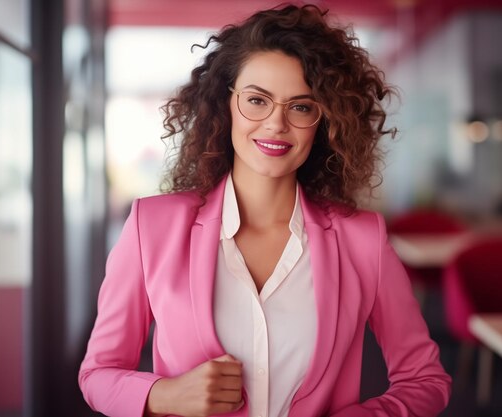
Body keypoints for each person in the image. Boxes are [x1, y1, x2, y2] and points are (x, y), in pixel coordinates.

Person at [79, 4, 452, 417]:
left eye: (301, 106)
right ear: (226, 104)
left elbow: (426, 380)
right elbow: (98, 374)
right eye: (257, 100)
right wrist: (163, 395)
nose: (276, 124)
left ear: (324, 120)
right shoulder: (152, 228)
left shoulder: (363, 239)